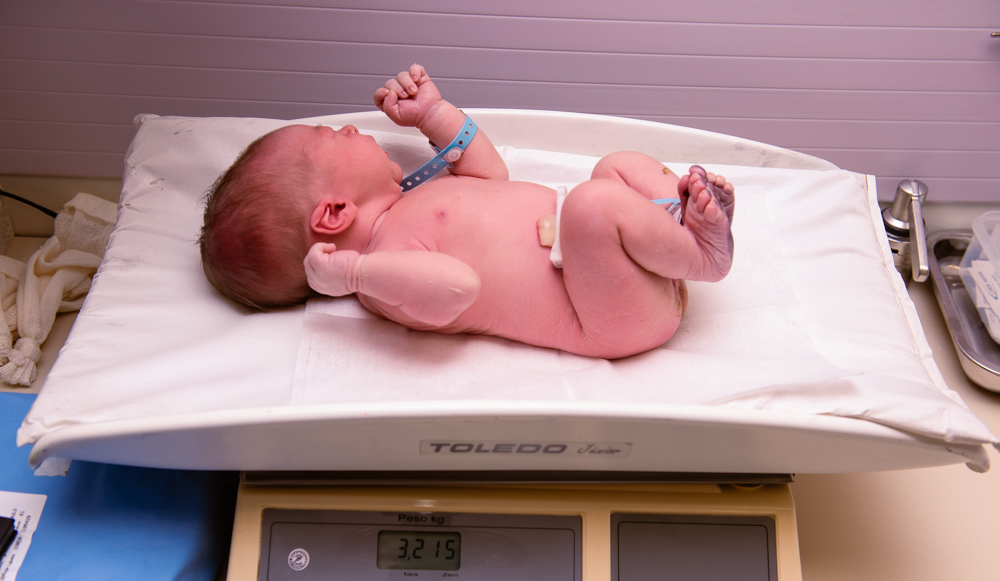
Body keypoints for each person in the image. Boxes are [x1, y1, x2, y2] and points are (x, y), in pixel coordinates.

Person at [200, 64, 735, 359]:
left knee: (616, 167)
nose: (348, 127)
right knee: (591, 204)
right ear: (335, 211)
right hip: (606, 315)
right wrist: (355, 273)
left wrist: (433, 114)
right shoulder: (385, 279)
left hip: (618, 267)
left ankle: (678, 220)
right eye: (331, 135)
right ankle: (702, 256)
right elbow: (460, 286)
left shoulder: (411, 200)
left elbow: (490, 175)